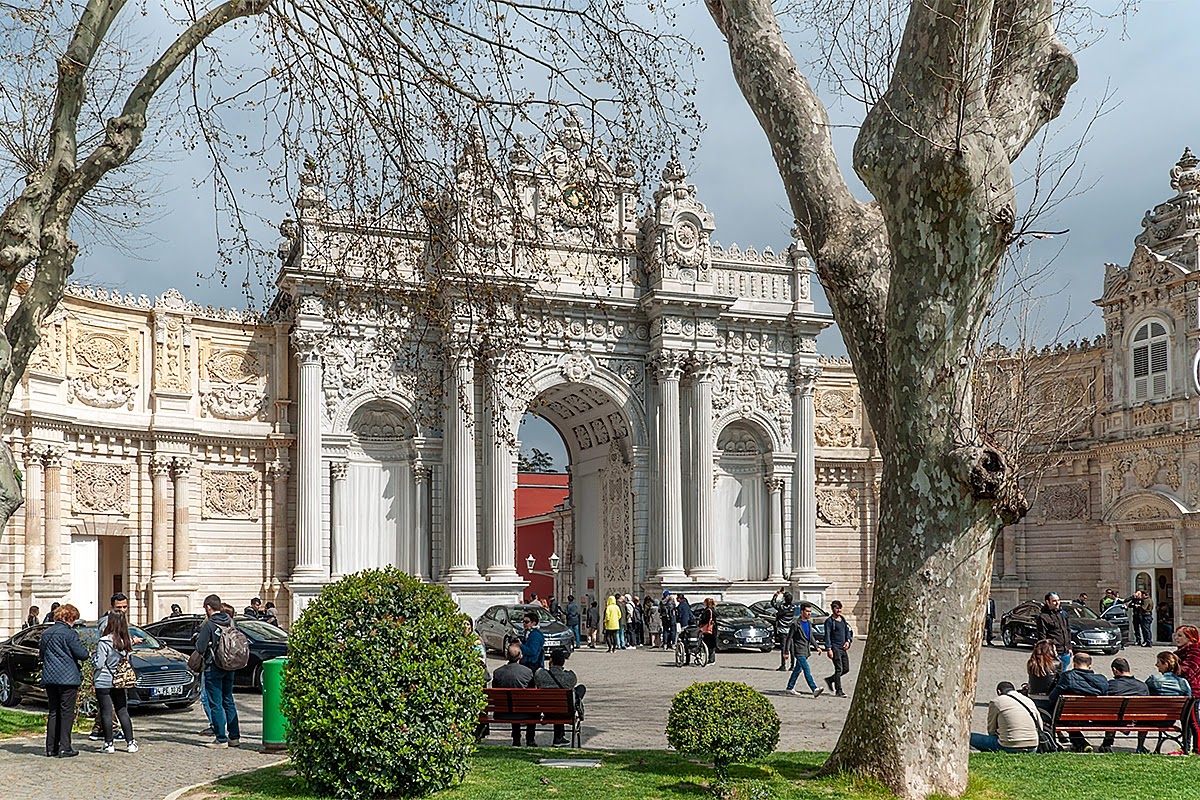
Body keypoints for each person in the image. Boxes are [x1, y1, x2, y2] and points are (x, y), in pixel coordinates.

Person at [39, 603, 88, 757]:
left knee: (53, 711)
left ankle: (50, 747)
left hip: (50, 677)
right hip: (68, 678)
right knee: (66, 713)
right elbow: (82, 654)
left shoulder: (46, 633)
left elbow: (41, 655)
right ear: (69, 618)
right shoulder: (69, 634)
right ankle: (64, 747)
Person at [195, 594, 241, 748]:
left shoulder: (209, 624)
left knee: (215, 703)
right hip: (230, 665)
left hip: (213, 666)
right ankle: (234, 737)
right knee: (228, 700)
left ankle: (221, 738)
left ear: (208, 607)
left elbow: (200, 648)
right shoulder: (230, 621)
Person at [93, 612, 138, 753]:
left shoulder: (104, 641)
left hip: (103, 680)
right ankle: (130, 743)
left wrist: (92, 658)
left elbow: (99, 664)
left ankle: (108, 744)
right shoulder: (125, 642)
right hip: (119, 680)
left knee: (106, 713)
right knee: (122, 711)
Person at [1049, 651, 1108, 752]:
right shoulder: (1102, 679)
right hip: (1094, 716)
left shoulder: (1067, 677)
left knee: (1063, 716)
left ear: (1074, 664)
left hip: (1070, 715)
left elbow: (1052, 697)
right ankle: (1082, 744)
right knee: (1068, 717)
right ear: (1090, 665)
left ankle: (1081, 743)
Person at [969, 682, 1039, 753]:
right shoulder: (1028, 700)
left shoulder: (997, 701)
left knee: (969, 736)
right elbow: (1039, 724)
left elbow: (991, 729)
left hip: (1010, 746)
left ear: (999, 692)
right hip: (1033, 745)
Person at [1147, 650, 1192, 756]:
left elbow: (1145, 692)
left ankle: (1140, 747)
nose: (1156, 665)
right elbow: (1189, 699)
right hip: (1170, 719)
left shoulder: (1154, 680)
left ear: (1165, 664)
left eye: (1158, 662)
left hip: (1153, 718)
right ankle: (1186, 746)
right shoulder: (1183, 682)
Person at [1098, 657, 1148, 753]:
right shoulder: (1142, 686)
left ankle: (1107, 744)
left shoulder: (1111, 685)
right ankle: (1140, 746)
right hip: (1136, 720)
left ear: (1114, 670)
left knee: (1111, 713)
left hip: (1114, 719)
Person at [533, 648, 580, 747]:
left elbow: (538, 673)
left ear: (551, 660)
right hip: (566, 712)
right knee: (579, 690)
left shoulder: (541, 675)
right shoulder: (569, 677)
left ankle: (559, 737)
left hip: (547, 711)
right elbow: (573, 681)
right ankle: (559, 737)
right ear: (563, 662)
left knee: (557, 703)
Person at [491, 642, 534, 746]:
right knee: (530, 707)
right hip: (524, 713)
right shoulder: (528, 672)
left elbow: (494, 689)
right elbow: (532, 691)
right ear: (521, 656)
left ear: (507, 655)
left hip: (502, 712)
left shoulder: (498, 672)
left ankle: (516, 737)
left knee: (513, 704)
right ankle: (530, 739)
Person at [785, 603, 824, 697]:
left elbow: (810, 637)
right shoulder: (795, 624)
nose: (809, 613)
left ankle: (789, 687)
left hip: (806, 650)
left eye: (810, 611)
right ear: (802, 612)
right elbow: (789, 638)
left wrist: (817, 646)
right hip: (798, 650)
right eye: (807, 611)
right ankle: (814, 688)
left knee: (797, 670)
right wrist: (786, 651)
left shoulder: (809, 623)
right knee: (807, 669)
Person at [1172, 625, 1200, 753]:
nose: (1176, 638)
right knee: (1185, 720)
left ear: (1190, 638)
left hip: (1193, 690)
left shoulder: (1195, 651)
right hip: (1184, 690)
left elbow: (1189, 671)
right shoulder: (1181, 652)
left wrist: (1172, 666)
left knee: (1193, 720)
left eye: (1180, 635)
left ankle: (1197, 748)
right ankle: (1186, 747)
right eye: (1176, 635)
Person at [1035, 592, 1072, 673]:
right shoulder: (1043, 617)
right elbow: (1042, 636)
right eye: (1054, 601)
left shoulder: (1063, 614)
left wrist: (1069, 647)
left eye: (1058, 600)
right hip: (1053, 653)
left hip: (1065, 652)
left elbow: (1067, 631)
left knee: (1063, 676)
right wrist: (1045, 652)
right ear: (1048, 602)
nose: (1057, 603)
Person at [823, 600, 852, 698]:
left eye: (840, 608)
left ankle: (830, 679)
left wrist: (848, 641)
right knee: (839, 669)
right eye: (836, 608)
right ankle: (839, 691)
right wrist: (829, 649)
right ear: (832, 609)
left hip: (843, 648)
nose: (838, 610)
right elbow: (827, 635)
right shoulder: (829, 621)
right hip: (835, 648)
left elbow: (848, 631)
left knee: (846, 669)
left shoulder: (842, 619)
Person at [1025, 639, 1061, 719]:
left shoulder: (1032, 663)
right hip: (1048, 700)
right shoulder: (1056, 663)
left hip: (1032, 698)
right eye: (1055, 650)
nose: (1057, 652)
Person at [771, 589, 796, 670]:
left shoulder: (782, 607)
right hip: (790, 629)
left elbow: (773, 603)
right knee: (791, 647)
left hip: (782, 629)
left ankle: (783, 665)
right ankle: (792, 665)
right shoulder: (793, 607)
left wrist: (776, 595)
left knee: (784, 648)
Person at [698, 598, 717, 664]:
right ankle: (712, 659)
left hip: (709, 630)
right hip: (713, 629)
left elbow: (705, 620)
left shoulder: (708, 611)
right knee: (711, 645)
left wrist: (700, 621)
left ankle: (711, 660)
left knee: (709, 645)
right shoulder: (713, 610)